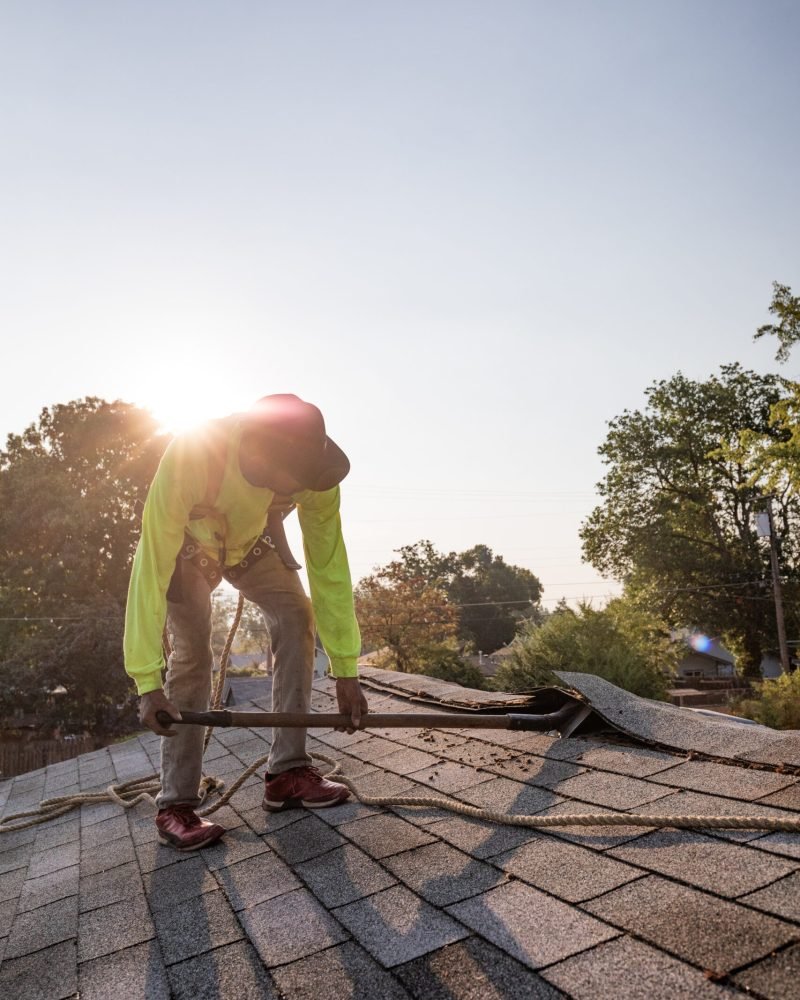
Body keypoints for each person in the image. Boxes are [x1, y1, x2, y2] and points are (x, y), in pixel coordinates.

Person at [124, 394, 367, 850]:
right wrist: (145, 680)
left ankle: (287, 773)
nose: (299, 492)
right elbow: (151, 564)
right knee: (194, 651)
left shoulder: (316, 473)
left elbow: (329, 569)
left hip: (250, 543)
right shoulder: (193, 454)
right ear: (258, 457)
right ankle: (175, 804)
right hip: (189, 547)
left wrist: (346, 668)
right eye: (291, 482)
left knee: (297, 616)